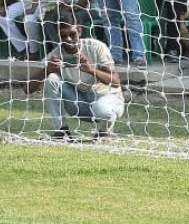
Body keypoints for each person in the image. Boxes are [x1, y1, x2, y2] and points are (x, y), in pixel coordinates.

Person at [27, 8, 125, 140]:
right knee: (51, 79)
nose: (68, 39)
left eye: (72, 34)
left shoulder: (96, 47)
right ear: (58, 36)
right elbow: (27, 90)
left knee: (101, 109)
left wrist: (91, 70)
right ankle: (61, 132)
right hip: (80, 104)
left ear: (79, 31)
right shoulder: (55, 54)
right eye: (63, 36)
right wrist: (46, 70)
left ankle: (104, 131)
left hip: (107, 100)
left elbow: (116, 81)